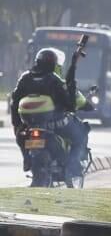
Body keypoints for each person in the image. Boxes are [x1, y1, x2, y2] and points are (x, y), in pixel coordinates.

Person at [10, 48, 88, 180]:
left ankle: (27, 160)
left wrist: (17, 125)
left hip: (30, 126)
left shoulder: (25, 79)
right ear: (53, 65)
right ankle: (72, 166)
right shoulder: (54, 80)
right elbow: (69, 104)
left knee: (20, 137)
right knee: (81, 134)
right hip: (57, 125)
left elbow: (14, 103)